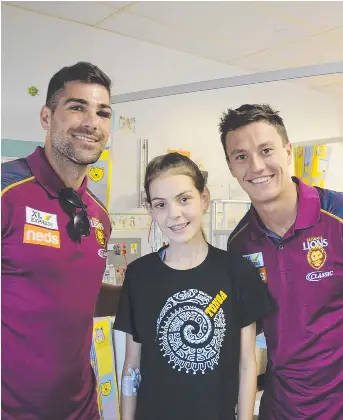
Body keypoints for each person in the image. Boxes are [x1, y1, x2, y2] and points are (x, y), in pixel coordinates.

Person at [114, 152, 270, 420]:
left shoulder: (238, 273)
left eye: (184, 199)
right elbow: (131, 366)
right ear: (150, 210)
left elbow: (247, 366)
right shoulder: (139, 275)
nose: (174, 214)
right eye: (160, 204)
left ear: (204, 199)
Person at [1, 62, 113, 420]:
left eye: (103, 112)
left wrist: (153, 286)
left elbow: (81, 293)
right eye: (77, 107)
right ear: (46, 116)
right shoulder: (7, 193)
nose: (91, 122)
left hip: (81, 409)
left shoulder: (98, 215)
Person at [219, 104, 343, 420]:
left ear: (288, 152)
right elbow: (248, 328)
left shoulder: (337, 216)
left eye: (266, 150)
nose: (257, 166)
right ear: (231, 167)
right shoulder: (240, 243)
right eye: (241, 156)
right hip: (282, 407)